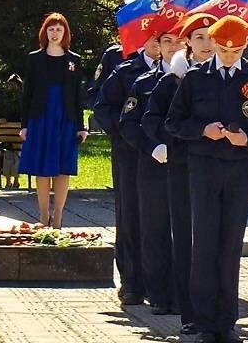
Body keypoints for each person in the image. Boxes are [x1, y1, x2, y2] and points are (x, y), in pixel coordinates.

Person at [165, 15, 248, 343]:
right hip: (203, 167)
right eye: (224, 49)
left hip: (240, 168)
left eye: (236, 51)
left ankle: (226, 322)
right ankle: (204, 323)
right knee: (204, 243)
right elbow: (174, 122)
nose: (229, 55)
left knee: (231, 244)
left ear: (245, 46)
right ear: (214, 43)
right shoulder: (195, 79)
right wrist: (202, 130)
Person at [143, 12, 216, 336]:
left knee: (215, 240)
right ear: (187, 42)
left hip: (217, 167)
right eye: (199, 37)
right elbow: (152, 118)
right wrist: (158, 146)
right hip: (182, 167)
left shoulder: (224, 76)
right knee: (186, 239)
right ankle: (190, 311)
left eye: (211, 36)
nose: (206, 42)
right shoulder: (172, 79)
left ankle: (217, 308)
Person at [120, 23, 185, 316]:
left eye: (177, 41)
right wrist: (152, 147)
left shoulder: (195, 81)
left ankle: (183, 292)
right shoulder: (144, 82)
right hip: (154, 165)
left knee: (185, 231)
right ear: (158, 45)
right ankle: (158, 294)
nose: (172, 46)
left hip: (189, 166)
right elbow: (129, 123)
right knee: (155, 229)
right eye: (166, 41)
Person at [93, 29, 162, 305]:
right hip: (130, 153)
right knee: (131, 214)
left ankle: (160, 282)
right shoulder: (124, 70)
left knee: (160, 218)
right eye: (155, 38)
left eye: (165, 39)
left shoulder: (181, 72)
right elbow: (101, 105)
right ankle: (132, 281)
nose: (159, 44)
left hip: (164, 155)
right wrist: (124, 132)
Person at [18, 12, 87, 227]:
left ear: (65, 33)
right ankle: (42, 215)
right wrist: (24, 125)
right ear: (44, 32)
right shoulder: (34, 58)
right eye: (51, 29)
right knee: (41, 168)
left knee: (62, 168)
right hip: (40, 118)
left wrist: (81, 126)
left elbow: (78, 95)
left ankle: (57, 216)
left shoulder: (74, 60)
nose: (54, 33)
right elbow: (27, 93)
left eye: (59, 29)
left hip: (65, 119)